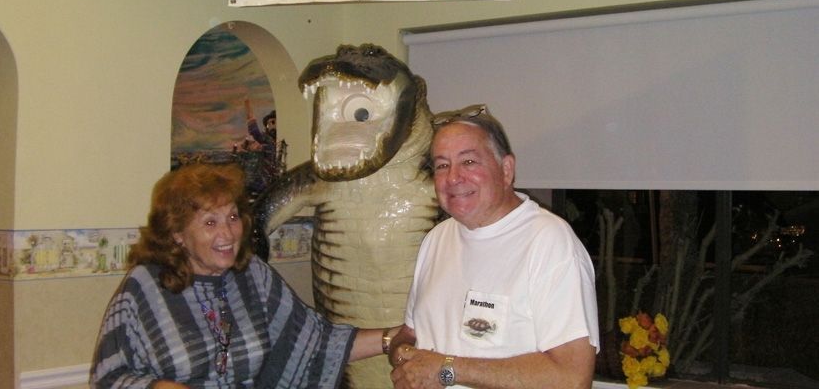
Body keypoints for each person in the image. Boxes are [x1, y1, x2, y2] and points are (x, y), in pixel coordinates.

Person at [90, 163, 398, 388]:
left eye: (233, 216)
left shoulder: (252, 275)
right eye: (210, 223)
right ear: (178, 233)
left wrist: (395, 337)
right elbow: (109, 377)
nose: (228, 233)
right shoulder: (145, 286)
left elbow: (318, 342)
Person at [387, 105, 599, 389]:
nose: (453, 177)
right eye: (442, 165)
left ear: (506, 169)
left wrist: (445, 370)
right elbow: (410, 333)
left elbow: (572, 378)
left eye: (469, 162)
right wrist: (404, 357)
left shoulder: (549, 242)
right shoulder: (437, 238)